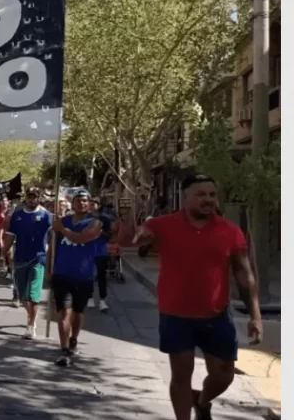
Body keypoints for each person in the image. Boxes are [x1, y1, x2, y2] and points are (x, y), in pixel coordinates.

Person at [118, 174, 262, 420]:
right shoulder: (163, 225)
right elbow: (127, 241)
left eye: (212, 194)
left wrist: (255, 316)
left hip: (216, 316)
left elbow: (244, 274)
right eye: (201, 194)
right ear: (185, 197)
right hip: (175, 316)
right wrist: (132, 210)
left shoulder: (230, 231)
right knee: (181, 377)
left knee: (224, 375)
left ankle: (202, 401)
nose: (208, 199)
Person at [51, 189, 102, 367]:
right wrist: (50, 268)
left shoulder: (95, 223)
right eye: (78, 201)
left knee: (78, 312)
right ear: (72, 203)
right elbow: (53, 245)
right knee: (65, 312)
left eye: (85, 201)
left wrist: (62, 230)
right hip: (62, 273)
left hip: (83, 275)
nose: (81, 203)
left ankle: (73, 338)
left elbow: (81, 239)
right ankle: (64, 349)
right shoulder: (62, 221)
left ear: (89, 203)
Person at [2, 187, 52, 339]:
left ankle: (30, 326)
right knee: (22, 295)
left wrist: (52, 256)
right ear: (26, 198)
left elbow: (54, 236)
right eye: (29, 197)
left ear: (39, 198)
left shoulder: (46, 216)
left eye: (35, 197)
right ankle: (32, 316)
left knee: (33, 295)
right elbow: (10, 236)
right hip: (20, 259)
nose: (32, 200)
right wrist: (3, 253)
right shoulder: (17, 216)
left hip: (38, 259)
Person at [89, 198, 111, 312]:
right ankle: (90, 297)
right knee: (88, 274)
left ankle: (102, 300)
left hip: (101, 251)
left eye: (93, 204)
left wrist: (100, 232)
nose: (91, 206)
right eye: (90, 204)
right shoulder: (85, 218)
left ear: (98, 206)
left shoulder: (105, 219)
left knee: (101, 275)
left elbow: (109, 235)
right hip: (87, 251)